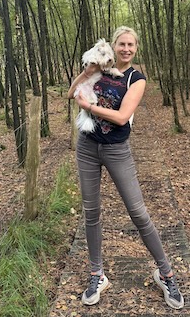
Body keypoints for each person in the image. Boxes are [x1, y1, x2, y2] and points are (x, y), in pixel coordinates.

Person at [68, 26, 185, 309]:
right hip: (86, 147)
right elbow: (71, 93)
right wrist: (87, 72)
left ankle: (165, 272)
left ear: (136, 48)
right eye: (121, 44)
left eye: (131, 45)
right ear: (113, 45)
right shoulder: (100, 69)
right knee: (91, 212)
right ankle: (97, 273)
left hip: (116, 150)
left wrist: (90, 107)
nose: (126, 49)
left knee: (138, 212)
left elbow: (121, 117)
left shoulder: (136, 78)